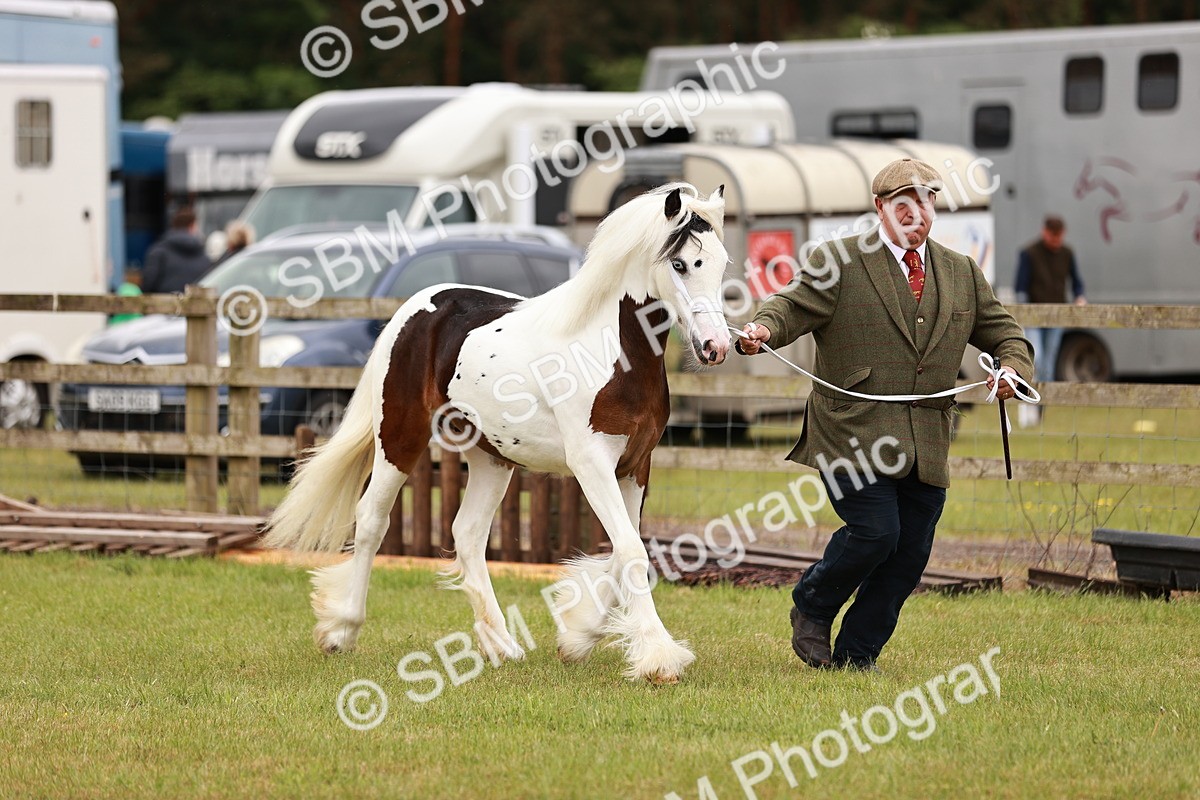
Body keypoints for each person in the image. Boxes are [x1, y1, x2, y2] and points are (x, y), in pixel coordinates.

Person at [737, 157, 1034, 672]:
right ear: (881, 208)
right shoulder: (840, 262)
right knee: (877, 532)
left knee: (909, 555)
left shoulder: (961, 272)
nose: (916, 210)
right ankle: (812, 603)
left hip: (926, 442)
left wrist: (1011, 369)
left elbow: (1006, 333)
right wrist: (762, 329)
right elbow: (789, 306)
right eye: (904, 202)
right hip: (851, 432)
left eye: (925, 200)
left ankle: (857, 656)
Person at [1014, 215, 1087, 384]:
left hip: (1056, 315)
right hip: (1033, 316)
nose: (1055, 240)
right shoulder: (1029, 253)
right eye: (1052, 235)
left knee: (1049, 361)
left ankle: (1043, 404)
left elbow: (1077, 281)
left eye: (1058, 236)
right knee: (1036, 356)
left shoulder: (1067, 253)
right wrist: (1024, 313)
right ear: (1044, 232)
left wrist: (1079, 297)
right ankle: (1031, 393)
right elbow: (1021, 287)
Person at [141, 207, 211, 294]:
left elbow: (148, 285)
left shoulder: (158, 252)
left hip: (163, 305)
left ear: (173, 226)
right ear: (192, 226)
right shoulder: (203, 255)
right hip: (197, 305)